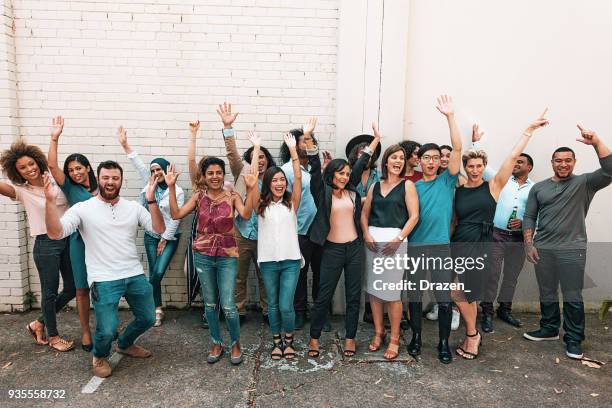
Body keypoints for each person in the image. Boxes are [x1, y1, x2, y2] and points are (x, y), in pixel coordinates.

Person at [44, 161, 166, 378]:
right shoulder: (82, 209)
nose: (110, 182)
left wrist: (150, 198)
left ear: (121, 180)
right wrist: (49, 202)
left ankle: (125, 343)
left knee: (148, 318)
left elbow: (158, 229)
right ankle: (99, 356)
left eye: (115, 178)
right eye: (106, 178)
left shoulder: (133, 208)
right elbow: (55, 233)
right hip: (104, 279)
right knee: (107, 330)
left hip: (134, 274)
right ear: (98, 179)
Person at [450, 111, 548, 360]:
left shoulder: (493, 186)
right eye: (470, 166)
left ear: (485, 167)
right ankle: (473, 335)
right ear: (466, 168)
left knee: (458, 292)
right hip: (459, 241)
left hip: (481, 242)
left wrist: (528, 130)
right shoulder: (459, 189)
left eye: (479, 166)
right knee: (465, 294)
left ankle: (472, 335)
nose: (474, 169)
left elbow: (512, 157)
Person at [167, 120, 258, 365]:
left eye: (219, 173)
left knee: (228, 305)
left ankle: (235, 342)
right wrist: (172, 186)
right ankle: (217, 343)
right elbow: (176, 215)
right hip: (204, 255)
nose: (215, 176)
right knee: (209, 304)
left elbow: (247, 215)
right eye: (210, 173)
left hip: (228, 255)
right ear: (204, 177)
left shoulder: (232, 195)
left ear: (223, 175)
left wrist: (250, 190)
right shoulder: (199, 196)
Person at [523, 125, 612, 360]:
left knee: (572, 295)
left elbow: (610, 169)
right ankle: (549, 328)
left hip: (572, 250)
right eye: (558, 161)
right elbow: (529, 216)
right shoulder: (539, 188)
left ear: (574, 162)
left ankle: (573, 339)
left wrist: (596, 142)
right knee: (547, 291)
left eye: (567, 161)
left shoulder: (585, 183)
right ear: (552, 162)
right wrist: (529, 244)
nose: (563, 164)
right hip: (543, 248)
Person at [306, 123, 381, 358]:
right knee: (323, 296)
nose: (345, 177)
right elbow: (316, 167)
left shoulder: (351, 191)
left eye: (347, 174)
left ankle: (350, 338)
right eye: (340, 173)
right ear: (332, 174)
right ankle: (314, 338)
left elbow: (361, 162)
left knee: (353, 296)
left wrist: (377, 138)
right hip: (331, 250)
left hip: (354, 248)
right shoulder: (322, 191)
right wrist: (308, 138)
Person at [1, 140, 75, 352]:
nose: (29, 169)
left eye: (31, 164)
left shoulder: (53, 179)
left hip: (67, 239)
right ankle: (53, 337)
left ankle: (38, 323)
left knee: (71, 287)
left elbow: (53, 164)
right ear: (17, 172)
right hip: (45, 245)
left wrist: (54, 138)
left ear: (37, 161)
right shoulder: (22, 191)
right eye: (22, 168)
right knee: (49, 292)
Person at [404, 95, 462, 364]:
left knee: (443, 299)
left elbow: (459, 150)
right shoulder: (411, 186)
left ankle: (442, 344)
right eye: (426, 157)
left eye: (435, 157)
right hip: (415, 246)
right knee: (414, 296)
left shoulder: (447, 181)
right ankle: (416, 337)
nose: (430, 161)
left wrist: (450, 117)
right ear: (419, 160)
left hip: (440, 246)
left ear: (441, 161)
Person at [469, 125, 535, 332]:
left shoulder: (535, 188)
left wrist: (525, 223)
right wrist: (475, 142)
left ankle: (505, 309)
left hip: (518, 238)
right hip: (496, 234)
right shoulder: (501, 179)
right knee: (492, 274)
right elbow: (481, 166)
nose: (516, 164)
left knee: (511, 276)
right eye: (515, 161)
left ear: (529, 167)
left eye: (520, 162)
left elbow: (537, 215)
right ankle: (486, 312)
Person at [118, 126, 184, 327]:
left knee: (157, 272)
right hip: (150, 235)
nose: (156, 173)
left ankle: (143, 302)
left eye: (159, 170)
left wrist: (165, 239)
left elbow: (175, 218)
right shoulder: (149, 185)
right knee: (152, 270)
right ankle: (157, 308)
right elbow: (138, 165)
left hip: (170, 237)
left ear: (166, 170)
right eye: (153, 170)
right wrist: (125, 145)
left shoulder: (177, 191)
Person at [216, 102, 274, 324]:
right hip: (240, 231)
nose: (258, 161)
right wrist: (227, 127)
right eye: (255, 157)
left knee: (265, 276)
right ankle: (238, 311)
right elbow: (232, 154)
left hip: (265, 233)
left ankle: (268, 311)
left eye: (262, 158)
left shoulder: (273, 179)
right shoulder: (242, 172)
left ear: (267, 161)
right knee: (239, 276)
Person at [361, 144, 419, 360]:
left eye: (401, 158)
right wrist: (366, 234)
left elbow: (414, 216)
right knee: (375, 291)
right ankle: (379, 332)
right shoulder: (375, 186)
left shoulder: (408, 186)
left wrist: (399, 238)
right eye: (394, 157)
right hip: (372, 244)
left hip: (395, 243)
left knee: (393, 294)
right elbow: (364, 215)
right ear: (385, 162)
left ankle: (394, 338)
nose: (398, 161)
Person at [250, 131, 303, 360]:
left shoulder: (292, 203)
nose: (279, 183)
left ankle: (289, 341)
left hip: (291, 261)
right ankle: (276, 342)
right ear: (268, 184)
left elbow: (298, 179)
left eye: (282, 179)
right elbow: (252, 179)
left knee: (285, 306)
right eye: (275, 180)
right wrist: (256, 149)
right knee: (272, 305)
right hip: (269, 261)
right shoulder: (260, 205)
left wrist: (293, 151)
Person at [47, 116, 98, 351]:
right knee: (81, 288)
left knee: (104, 286)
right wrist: (55, 138)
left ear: (88, 167)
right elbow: (52, 166)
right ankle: (86, 332)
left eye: (78, 168)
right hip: (79, 243)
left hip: (101, 243)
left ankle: (106, 327)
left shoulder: (103, 186)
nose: (75, 172)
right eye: (71, 170)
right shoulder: (70, 187)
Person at [279, 118, 323, 330]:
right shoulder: (287, 170)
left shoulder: (317, 167)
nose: (306, 144)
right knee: (299, 274)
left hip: (321, 230)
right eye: (302, 141)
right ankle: (299, 312)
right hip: (298, 231)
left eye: (309, 140)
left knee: (321, 273)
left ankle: (320, 314)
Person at [346, 134, 382, 324]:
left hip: (374, 224)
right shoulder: (350, 173)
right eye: (362, 154)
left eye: (368, 154)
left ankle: (371, 308)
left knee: (373, 267)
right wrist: (364, 201)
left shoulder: (379, 175)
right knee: (357, 269)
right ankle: (356, 309)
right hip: (352, 226)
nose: (366, 158)